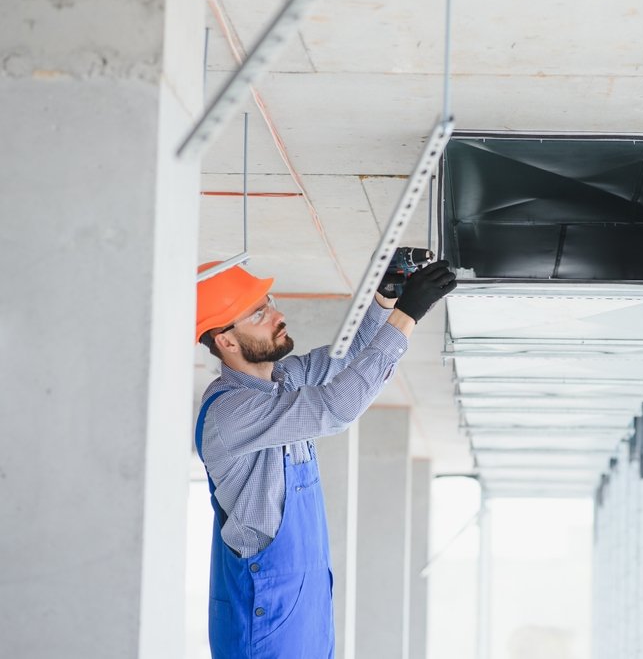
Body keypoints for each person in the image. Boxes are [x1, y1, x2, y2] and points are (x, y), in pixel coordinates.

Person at [193, 257, 456, 659]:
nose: (278, 315)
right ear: (226, 341)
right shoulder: (230, 414)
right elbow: (335, 408)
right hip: (264, 619)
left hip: (302, 607)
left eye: (270, 302)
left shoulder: (280, 381)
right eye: (260, 312)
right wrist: (408, 317)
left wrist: (387, 301)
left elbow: (342, 359)